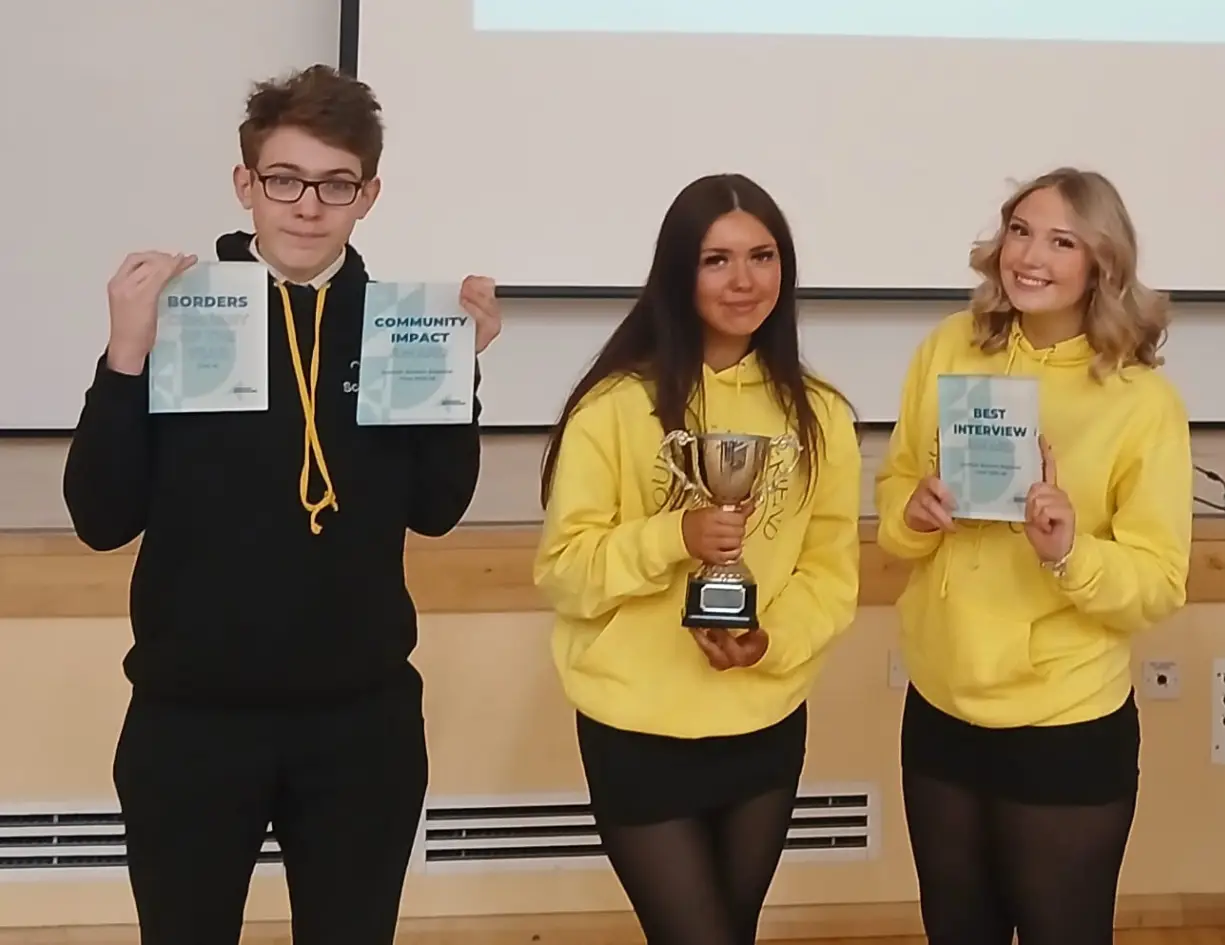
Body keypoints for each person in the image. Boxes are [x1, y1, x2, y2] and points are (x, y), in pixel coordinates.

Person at [61, 65, 501, 944]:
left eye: (336, 184)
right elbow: (100, 516)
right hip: (190, 722)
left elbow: (438, 508)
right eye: (286, 181)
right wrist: (123, 359)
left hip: (360, 724)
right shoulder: (178, 315)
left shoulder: (397, 322)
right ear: (246, 185)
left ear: (368, 195)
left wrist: (459, 371)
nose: (309, 206)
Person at [532, 173, 861, 945]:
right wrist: (672, 538)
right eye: (717, 259)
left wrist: (770, 641)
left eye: (762, 256)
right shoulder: (613, 406)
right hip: (637, 729)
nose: (744, 280)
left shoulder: (821, 416)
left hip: (763, 721)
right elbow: (565, 571)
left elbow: (830, 573)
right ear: (679, 272)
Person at [874, 167, 1193, 945]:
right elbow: (893, 506)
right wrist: (915, 513)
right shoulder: (948, 347)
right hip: (943, 712)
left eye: (1061, 240)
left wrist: (1069, 552)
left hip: (1065, 727)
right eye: (1020, 230)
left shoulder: (1142, 402)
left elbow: (1157, 583)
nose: (1030, 255)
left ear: (1102, 265)